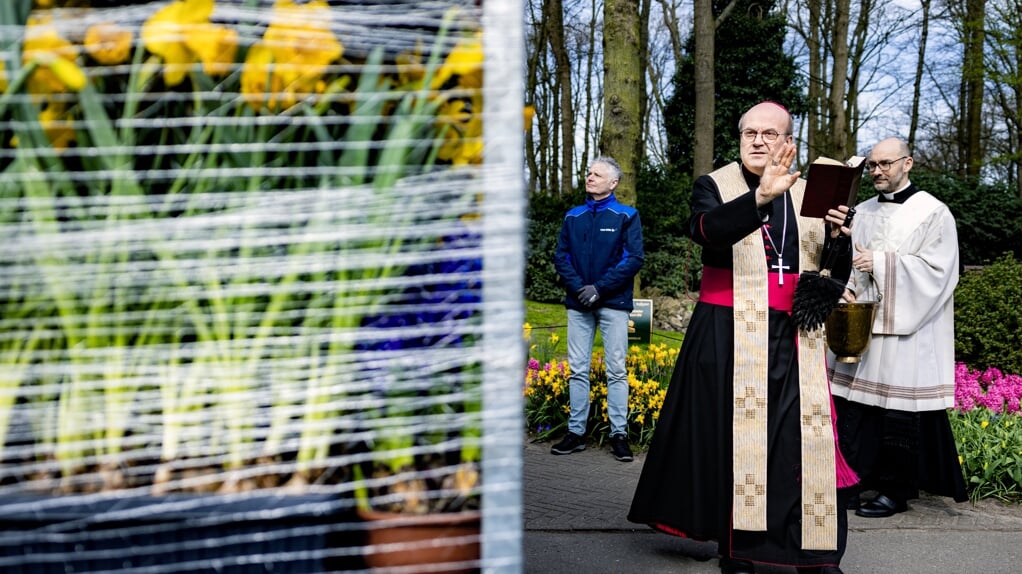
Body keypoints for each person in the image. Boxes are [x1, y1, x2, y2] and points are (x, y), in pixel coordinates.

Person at [628, 101, 856, 574]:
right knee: (734, 442)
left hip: (796, 337)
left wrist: (840, 237)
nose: (758, 140)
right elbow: (705, 233)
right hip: (727, 331)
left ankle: (815, 551)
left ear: (788, 141)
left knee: (800, 443)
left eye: (770, 133)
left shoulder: (810, 194)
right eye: (750, 132)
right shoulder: (716, 184)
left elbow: (829, 269)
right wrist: (759, 199)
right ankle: (738, 549)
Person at [831, 137, 967, 519]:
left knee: (898, 413)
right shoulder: (860, 210)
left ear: (908, 163)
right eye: (872, 165)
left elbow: (940, 272)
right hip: (862, 323)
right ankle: (855, 481)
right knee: (857, 409)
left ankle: (896, 490)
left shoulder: (933, 212)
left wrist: (882, 263)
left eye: (886, 164)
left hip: (909, 327)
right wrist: (840, 242)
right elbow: (848, 263)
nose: (877, 171)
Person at [551, 156, 645, 462]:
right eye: (589, 173)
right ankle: (575, 433)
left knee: (616, 370)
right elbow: (561, 257)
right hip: (578, 303)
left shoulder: (626, 216)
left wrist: (600, 289)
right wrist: (581, 288)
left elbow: (633, 259)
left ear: (613, 182)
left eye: (597, 174)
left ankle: (619, 434)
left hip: (614, 304)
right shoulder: (572, 217)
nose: (589, 177)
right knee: (577, 369)